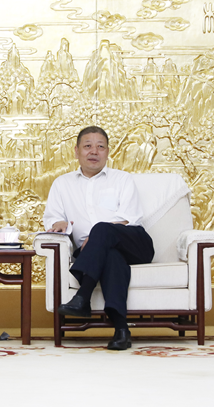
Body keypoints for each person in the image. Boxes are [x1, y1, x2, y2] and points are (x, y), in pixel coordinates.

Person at [43, 126, 154, 350]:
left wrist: (96, 236)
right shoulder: (62, 184)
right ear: (77, 151)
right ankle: (121, 330)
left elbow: (129, 219)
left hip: (134, 243)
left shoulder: (122, 179)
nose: (94, 151)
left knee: (101, 229)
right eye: (88, 146)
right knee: (111, 258)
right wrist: (59, 224)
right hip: (98, 252)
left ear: (108, 152)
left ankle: (82, 296)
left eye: (100, 146)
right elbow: (53, 219)